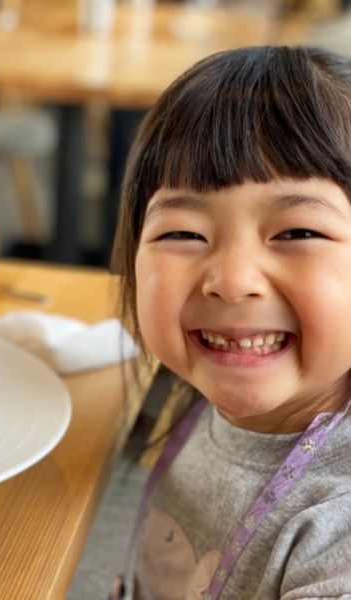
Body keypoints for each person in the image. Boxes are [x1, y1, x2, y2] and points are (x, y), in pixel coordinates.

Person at [112, 45, 351, 599]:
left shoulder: (336, 525)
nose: (232, 279)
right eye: (183, 234)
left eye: (297, 233)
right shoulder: (205, 377)